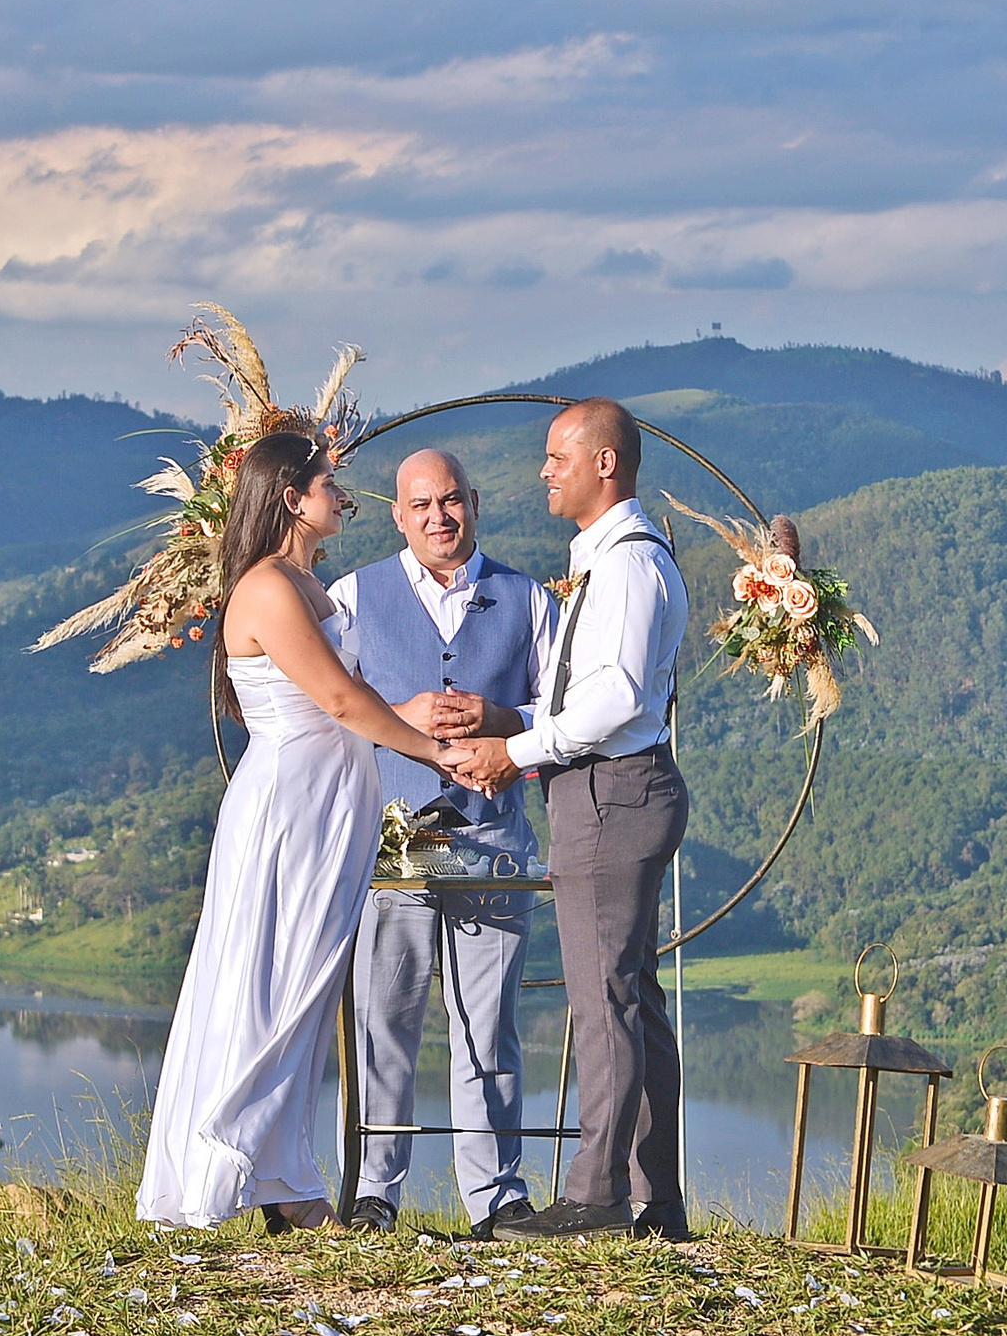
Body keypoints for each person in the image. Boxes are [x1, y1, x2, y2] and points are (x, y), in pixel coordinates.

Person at [136, 431, 479, 1232]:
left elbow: (359, 693)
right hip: (289, 811)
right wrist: (433, 752)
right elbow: (338, 700)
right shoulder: (265, 588)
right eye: (330, 483)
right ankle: (230, 1162)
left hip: (331, 809)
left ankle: (282, 1174)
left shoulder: (307, 583)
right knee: (269, 982)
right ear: (292, 497)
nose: (342, 496)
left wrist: (421, 722)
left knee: (308, 984)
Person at [452, 399, 693, 1241]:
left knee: (602, 999)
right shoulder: (614, 559)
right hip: (613, 787)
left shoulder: (625, 567)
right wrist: (505, 722)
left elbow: (617, 699)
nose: (544, 470)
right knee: (631, 995)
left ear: (604, 463)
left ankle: (596, 1197)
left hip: (608, 795)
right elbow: (588, 695)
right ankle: (655, 1197)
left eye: (558, 456)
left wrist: (514, 753)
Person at [326, 449, 559, 1240]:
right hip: (394, 841)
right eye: (421, 504)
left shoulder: (529, 599)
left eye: (451, 500)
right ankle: (373, 1190)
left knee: (488, 1025)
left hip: (493, 840)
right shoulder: (354, 596)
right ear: (398, 514)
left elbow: (563, 713)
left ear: (475, 502)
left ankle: (496, 1195)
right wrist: (404, 714)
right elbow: (328, 709)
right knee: (382, 1020)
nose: (438, 516)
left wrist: (501, 720)